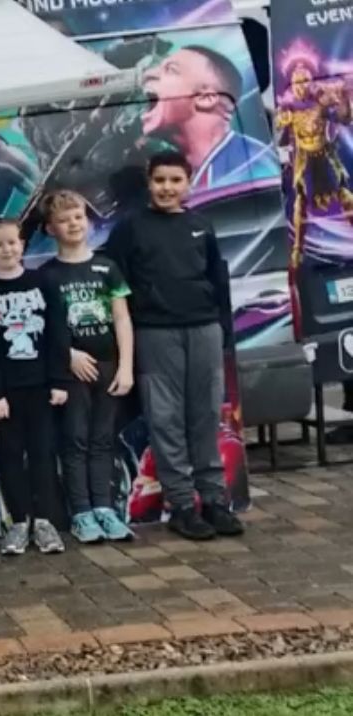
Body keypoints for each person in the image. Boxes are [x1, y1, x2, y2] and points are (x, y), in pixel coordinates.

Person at [107, 151, 245, 541]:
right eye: (159, 180)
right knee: (165, 419)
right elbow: (115, 288)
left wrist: (223, 330)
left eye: (175, 180)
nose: (167, 188)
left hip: (204, 330)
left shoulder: (201, 225)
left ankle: (215, 501)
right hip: (155, 333)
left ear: (188, 183)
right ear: (149, 183)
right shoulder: (130, 228)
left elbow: (218, 280)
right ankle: (182, 505)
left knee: (205, 416)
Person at [0, 219, 71, 556]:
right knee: (11, 456)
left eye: (12, 242)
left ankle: (45, 522)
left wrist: (59, 380)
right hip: (6, 395)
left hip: (42, 388)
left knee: (43, 454)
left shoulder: (44, 282)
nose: (7, 249)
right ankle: (19, 523)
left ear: (22, 245)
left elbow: (58, 334)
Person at [38, 190, 136, 544]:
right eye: (64, 220)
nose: (73, 224)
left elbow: (122, 319)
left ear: (88, 220)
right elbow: (43, 329)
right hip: (72, 372)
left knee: (103, 439)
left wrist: (126, 367)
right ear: (50, 229)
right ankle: (81, 512)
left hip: (108, 367)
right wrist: (68, 356)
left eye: (78, 217)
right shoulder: (46, 275)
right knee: (75, 440)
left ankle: (105, 508)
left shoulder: (107, 267)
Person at [139, 45, 279, 192]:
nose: (148, 74)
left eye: (171, 70)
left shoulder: (252, 169)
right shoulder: (188, 172)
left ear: (206, 98)